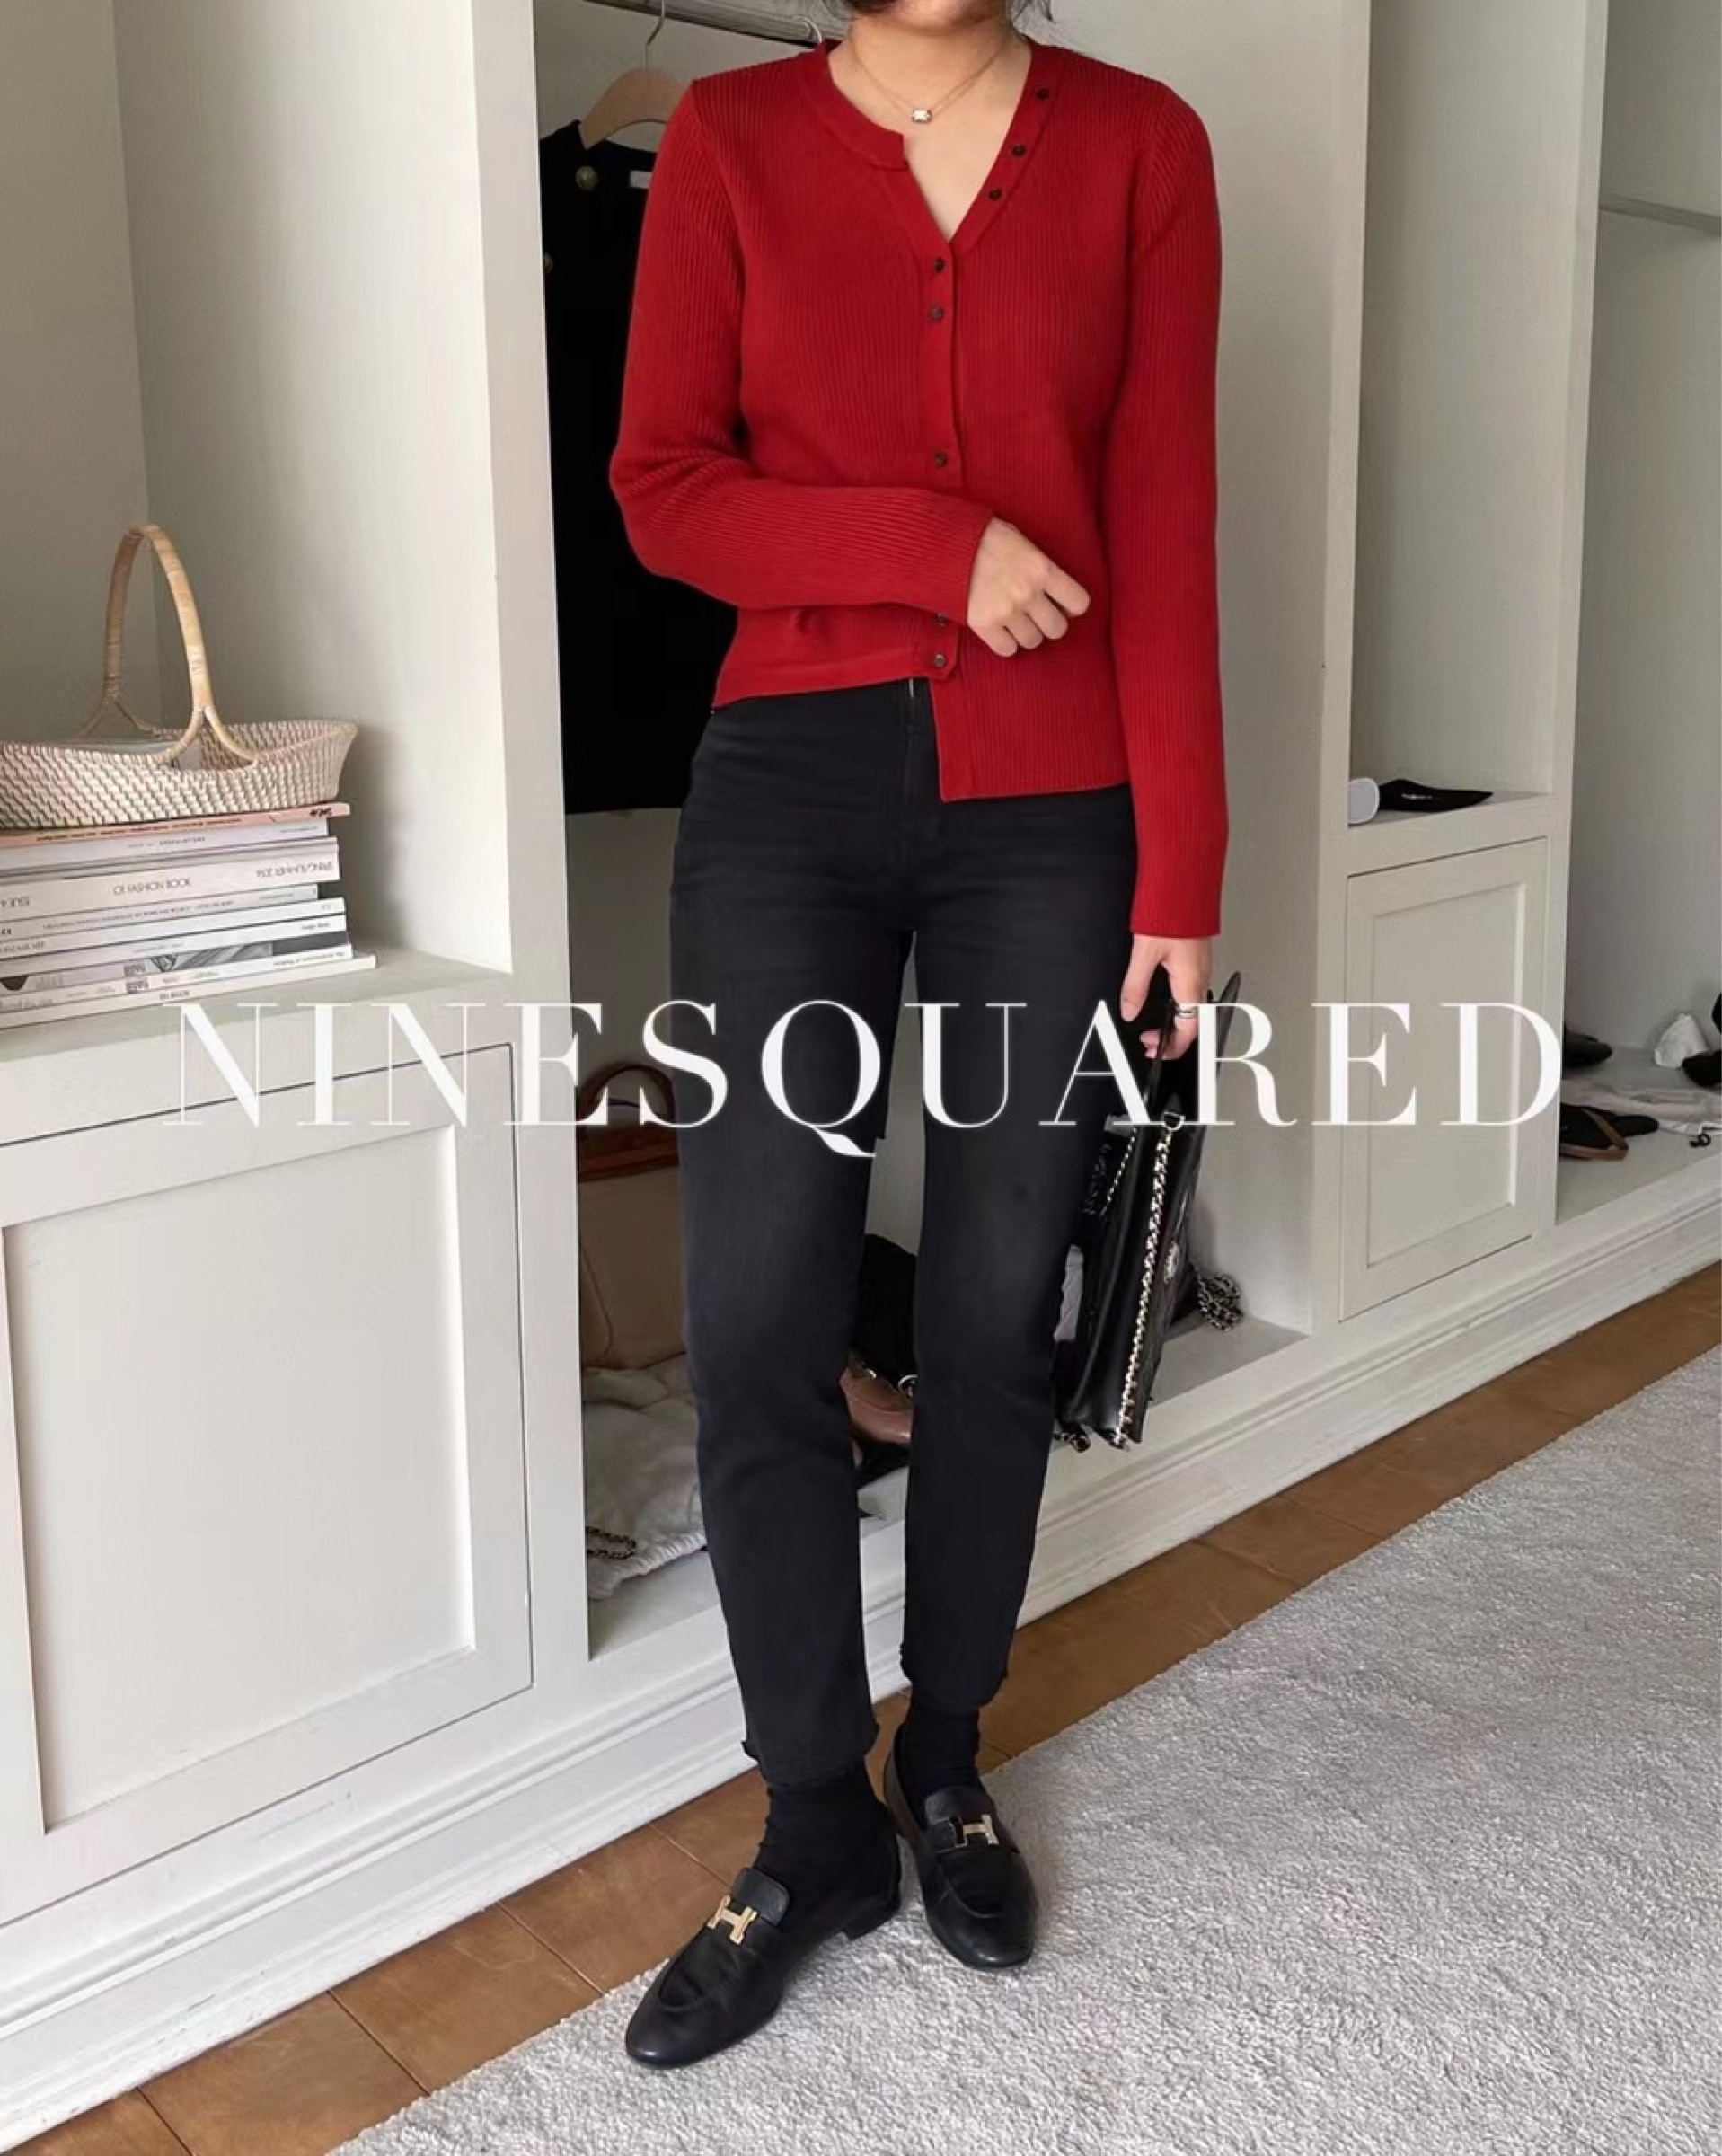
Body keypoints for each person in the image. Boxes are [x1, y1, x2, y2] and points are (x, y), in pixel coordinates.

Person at [607, 0, 1228, 2067]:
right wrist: (930, 550)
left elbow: (1161, 513)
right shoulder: (727, 137)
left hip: (1057, 821)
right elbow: (662, 488)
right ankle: (811, 1825)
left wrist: (1182, 872)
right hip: (781, 803)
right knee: (758, 1316)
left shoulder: (1137, 145)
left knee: (987, 1313)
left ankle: (942, 1752)